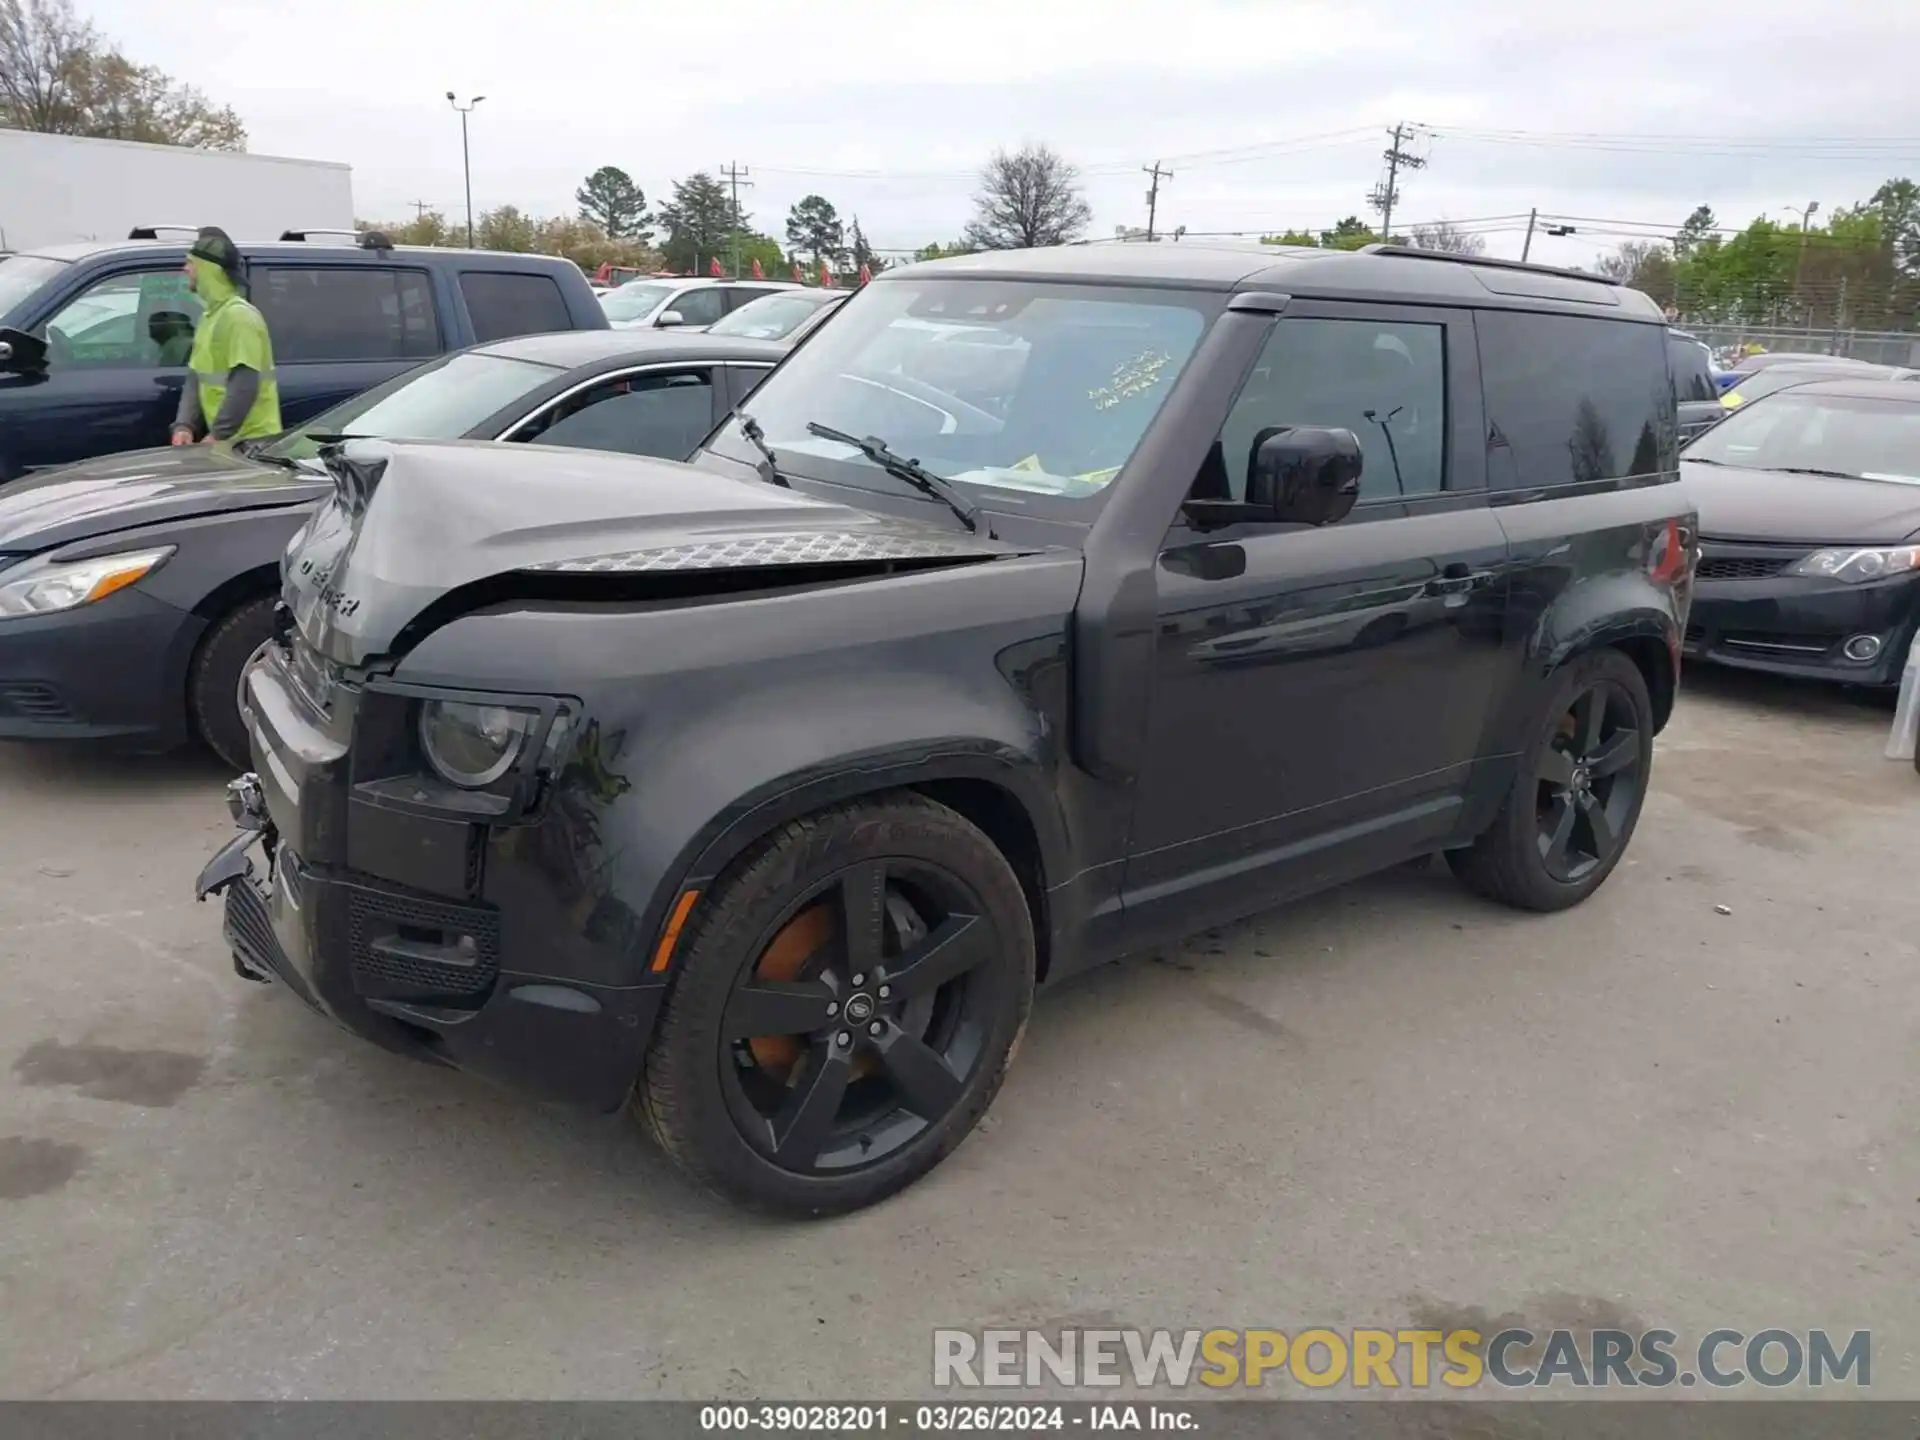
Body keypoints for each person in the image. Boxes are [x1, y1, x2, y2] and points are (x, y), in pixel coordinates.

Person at [170, 227, 281, 447]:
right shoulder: (211, 316)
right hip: (231, 442)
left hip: (252, 443)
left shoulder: (240, 317)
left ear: (208, 269)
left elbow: (244, 386)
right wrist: (184, 425)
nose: (185, 269)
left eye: (190, 262)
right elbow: (196, 377)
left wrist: (217, 436)